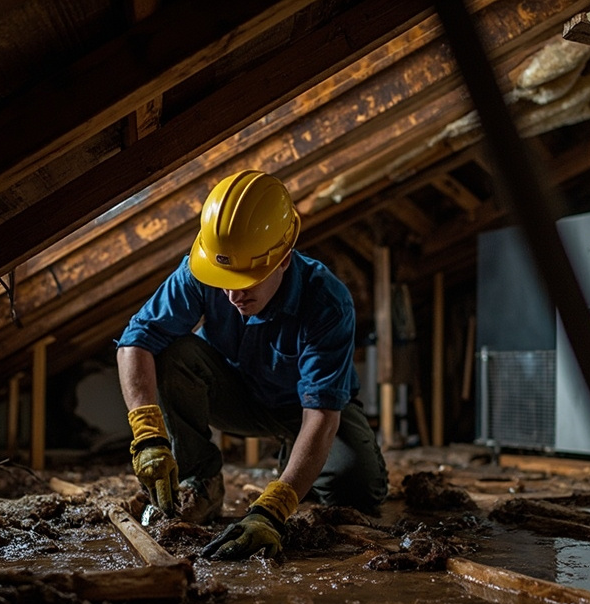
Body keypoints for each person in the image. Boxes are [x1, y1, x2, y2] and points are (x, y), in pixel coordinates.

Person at [115, 169, 389, 560]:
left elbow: (321, 415)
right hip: (238, 397)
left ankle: (297, 467)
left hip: (309, 411)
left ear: (283, 259)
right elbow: (135, 341)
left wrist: (274, 507)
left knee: (358, 492)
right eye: (223, 278)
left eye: (246, 280)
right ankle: (202, 480)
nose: (231, 295)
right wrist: (147, 433)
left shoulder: (327, 300)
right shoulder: (199, 272)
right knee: (172, 352)